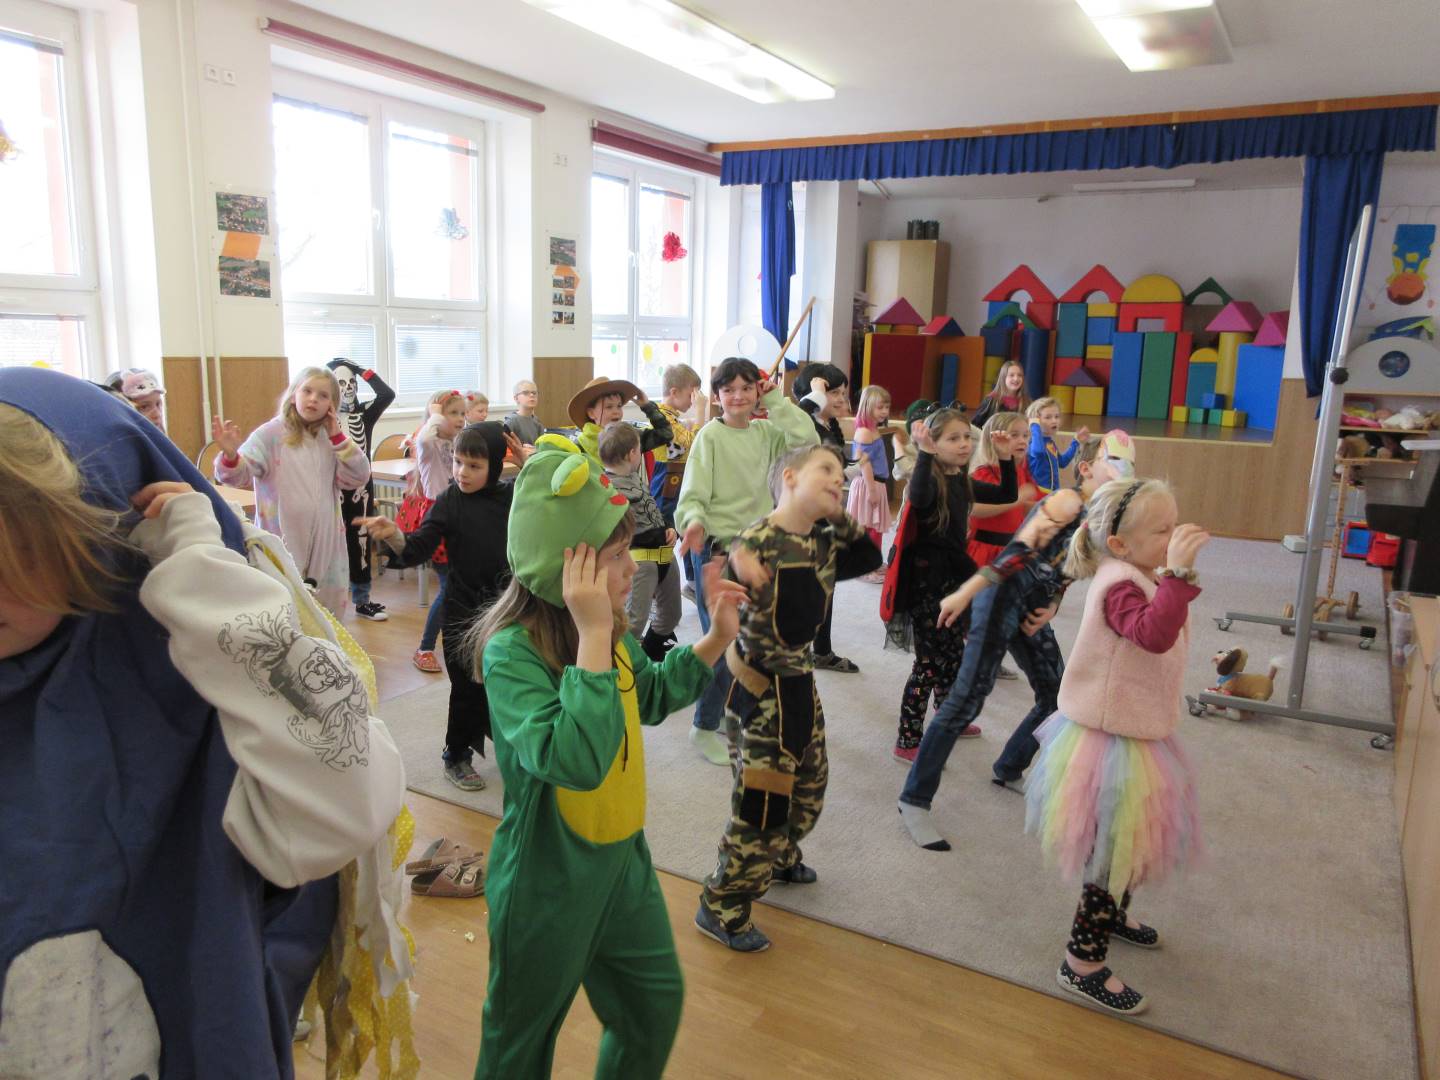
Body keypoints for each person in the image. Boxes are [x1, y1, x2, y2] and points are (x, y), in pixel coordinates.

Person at [0, 367, 411, 1077]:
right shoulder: (273, 434)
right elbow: (239, 468)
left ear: (97, 541)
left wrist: (205, 578)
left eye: (18, 553)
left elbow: (347, 796)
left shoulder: (179, 691)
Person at [469, 441, 745, 1079]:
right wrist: (594, 635)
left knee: (652, 1006)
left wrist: (716, 638)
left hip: (622, 863)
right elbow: (577, 761)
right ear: (566, 570)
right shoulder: (513, 653)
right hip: (546, 882)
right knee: (519, 1044)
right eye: (616, 556)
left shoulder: (612, 631)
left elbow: (650, 694)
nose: (630, 569)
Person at [897, 430, 1137, 851]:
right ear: (1085, 468)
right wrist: (967, 592)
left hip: (1034, 605)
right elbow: (1015, 554)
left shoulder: (1104, 518)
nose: (1122, 472)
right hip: (1001, 597)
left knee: (1057, 695)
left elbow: (1071, 565)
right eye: (1112, 463)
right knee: (966, 700)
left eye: (1128, 466)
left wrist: (1054, 604)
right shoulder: (1067, 502)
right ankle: (913, 799)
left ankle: (1009, 765)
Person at [1026, 478, 1208, 1014]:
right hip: (1108, 743)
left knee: (1131, 841)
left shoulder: (1141, 573)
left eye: (1174, 525)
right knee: (1110, 855)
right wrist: (1178, 576)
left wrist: (1169, 575)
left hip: (1137, 729)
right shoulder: (1118, 586)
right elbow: (1153, 635)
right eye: (1162, 531)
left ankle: (1114, 915)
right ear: (1120, 544)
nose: (1173, 538)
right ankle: (1081, 962)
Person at [695, 444, 881, 952]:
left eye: (842, 474)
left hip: (799, 683)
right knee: (762, 807)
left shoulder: (822, 539)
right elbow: (730, 566)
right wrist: (733, 562)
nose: (838, 479)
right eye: (826, 470)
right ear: (791, 477)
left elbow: (870, 557)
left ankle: (778, 856)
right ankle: (722, 904)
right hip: (759, 688)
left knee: (809, 791)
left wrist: (838, 513)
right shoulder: (758, 539)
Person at [360, 422, 525, 792]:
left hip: (505, 609)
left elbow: (549, 493)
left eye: (474, 466)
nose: (462, 472)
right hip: (462, 611)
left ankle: (510, 741)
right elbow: (418, 547)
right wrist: (395, 536)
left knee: (507, 682)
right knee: (466, 686)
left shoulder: (513, 494)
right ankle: (456, 754)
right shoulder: (449, 501)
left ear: (496, 465)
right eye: (458, 462)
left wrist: (528, 462)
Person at [675, 356, 818, 765]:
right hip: (717, 549)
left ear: (758, 391)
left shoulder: (768, 433)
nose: (738, 396)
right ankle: (703, 725)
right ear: (717, 397)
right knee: (720, 641)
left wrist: (777, 401)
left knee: (750, 641)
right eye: (729, 389)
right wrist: (694, 522)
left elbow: (807, 440)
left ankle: (725, 710)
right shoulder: (710, 437)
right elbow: (693, 494)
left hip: (757, 550)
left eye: (746, 388)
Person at [887, 406, 1018, 763]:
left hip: (954, 578)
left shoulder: (961, 479)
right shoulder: (928, 479)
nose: (963, 444)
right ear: (933, 442)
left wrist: (1005, 458)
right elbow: (919, 497)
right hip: (925, 583)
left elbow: (1006, 495)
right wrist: (924, 454)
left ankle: (948, 718)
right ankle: (907, 738)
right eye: (953, 438)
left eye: (966, 437)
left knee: (955, 655)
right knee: (928, 664)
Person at [213, 366, 371, 616]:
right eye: (307, 391)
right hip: (281, 539)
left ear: (332, 405)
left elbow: (358, 475)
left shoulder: (331, 439)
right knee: (284, 612)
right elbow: (236, 476)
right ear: (294, 394)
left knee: (326, 614)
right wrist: (231, 456)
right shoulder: (270, 434)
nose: (313, 399)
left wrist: (338, 438)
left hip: (327, 542)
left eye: (323, 395)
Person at [398, 388, 467, 672]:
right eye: (453, 413)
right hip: (439, 521)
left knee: (461, 584)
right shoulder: (429, 446)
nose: (460, 419)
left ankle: (464, 638)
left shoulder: (456, 443)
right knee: (449, 587)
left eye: (463, 413)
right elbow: (424, 438)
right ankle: (425, 648)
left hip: (461, 517)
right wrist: (436, 416)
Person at [600, 422, 681, 662]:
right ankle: (621, 668)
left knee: (670, 615)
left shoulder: (633, 476)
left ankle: (649, 659)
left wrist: (668, 528)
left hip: (665, 555)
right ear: (632, 453)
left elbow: (650, 509)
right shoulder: (607, 488)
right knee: (633, 624)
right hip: (640, 562)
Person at [326, 358, 395, 621]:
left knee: (361, 541)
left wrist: (359, 369)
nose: (349, 387)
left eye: (352, 382)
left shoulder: (364, 414)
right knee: (330, 543)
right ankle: (328, 601)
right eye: (341, 383)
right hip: (331, 488)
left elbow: (386, 394)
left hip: (361, 488)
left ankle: (362, 600)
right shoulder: (324, 418)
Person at [967, 412, 1040, 567]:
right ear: (995, 441)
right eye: (1014, 435)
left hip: (1010, 548)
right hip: (985, 550)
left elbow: (1018, 511)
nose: (1022, 441)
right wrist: (1018, 499)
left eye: (1026, 435)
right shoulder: (983, 473)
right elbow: (973, 509)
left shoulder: (1019, 472)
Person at [568, 376, 672, 465]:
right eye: (609, 407)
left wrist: (647, 406)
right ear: (591, 413)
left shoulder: (630, 437)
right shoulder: (579, 447)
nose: (616, 412)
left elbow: (666, 434)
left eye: (619, 406)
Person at [847, 384, 893, 583]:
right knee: (869, 528)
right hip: (869, 484)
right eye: (880, 407)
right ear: (867, 407)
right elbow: (864, 463)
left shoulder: (873, 429)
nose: (884, 411)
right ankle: (864, 567)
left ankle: (873, 562)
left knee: (876, 528)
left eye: (887, 407)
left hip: (876, 484)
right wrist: (872, 490)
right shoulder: (864, 432)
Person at [1027, 396, 1091, 494]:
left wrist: (1076, 441)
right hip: (1039, 493)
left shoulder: (1050, 443)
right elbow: (1038, 451)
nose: (1054, 421)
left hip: (1051, 492)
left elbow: (1062, 462)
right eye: (1048, 417)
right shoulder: (1033, 442)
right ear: (1036, 421)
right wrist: (1035, 426)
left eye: (1056, 416)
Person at [971, 359, 1031, 430]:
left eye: (1019, 375)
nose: (1016, 379)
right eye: (1011, 375)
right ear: (1003, 378)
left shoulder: (1027, 402)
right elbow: (974, 426)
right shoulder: (991, 400)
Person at [506, 379, 544, 446]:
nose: (532, 395)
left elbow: (541, 445)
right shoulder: (511, 421)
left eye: (534, 393)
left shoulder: (537, 421)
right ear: (516, 398)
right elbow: (506, 447)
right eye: (526, 393)